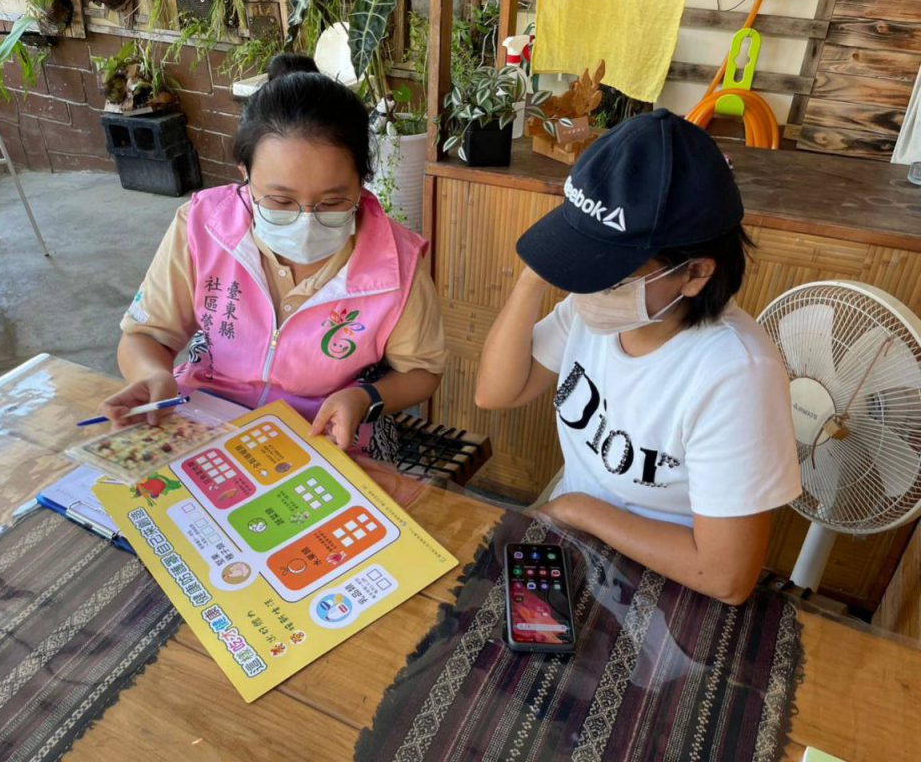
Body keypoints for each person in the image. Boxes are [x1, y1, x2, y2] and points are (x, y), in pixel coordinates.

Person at [476, 109, 801, 605]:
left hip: (667, 579)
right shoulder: (598, 309)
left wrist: (579, 510)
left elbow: (726, 577)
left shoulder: (735, 376)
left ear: (695, 274)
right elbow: (497, 393)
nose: (586, 288)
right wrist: (540, 270)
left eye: (611, 274)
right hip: (577, 537)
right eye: (583, 264)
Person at [100, 63, 445, 459]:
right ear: (243, 173)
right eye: (280, 201)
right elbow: (147, 334)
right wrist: (152, 375)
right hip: (203, 417)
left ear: (363, 180)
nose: (306, 220)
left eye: (333, 202)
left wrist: (364, 397)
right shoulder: (203, 226)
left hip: (319, 435)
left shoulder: (395, 264)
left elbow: (421, 371)